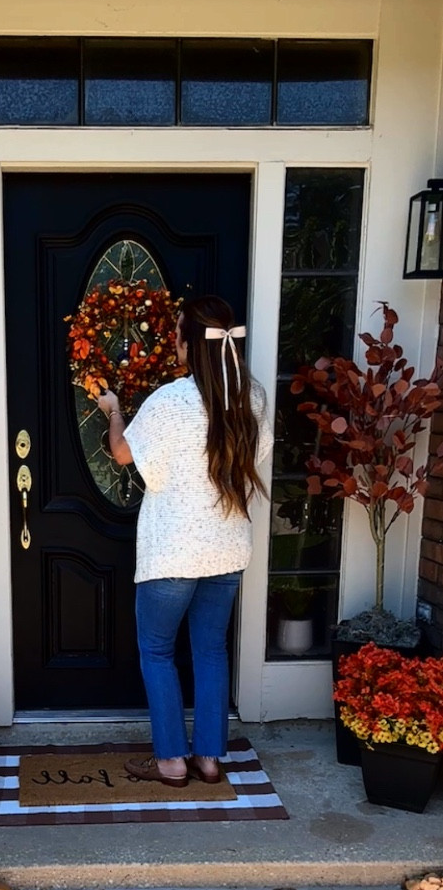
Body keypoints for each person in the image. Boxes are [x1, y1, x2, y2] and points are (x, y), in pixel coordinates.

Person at [96, 294, 273, 788]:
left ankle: (172, 762)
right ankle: (210, 760)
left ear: (189, 344)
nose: (172, 340)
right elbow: (253, 457)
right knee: (211, 651)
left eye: (176, 332)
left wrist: (113, 410)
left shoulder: (170, 401)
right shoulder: (252, 398)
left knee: (157, 651)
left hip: (172, 552)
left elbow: (123, 454)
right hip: (227, 548)